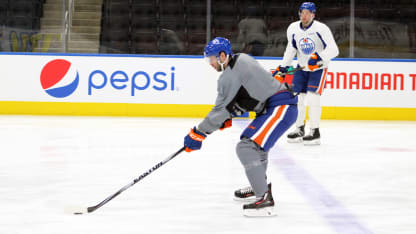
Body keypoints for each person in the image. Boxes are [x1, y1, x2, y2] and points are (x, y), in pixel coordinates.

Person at [183, 37, 298, 217]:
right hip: (275, 106)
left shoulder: (229, 75)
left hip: (280, 107)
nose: (210, 63)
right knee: (256, 146)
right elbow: (250, 96)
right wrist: (230, 114)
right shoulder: (242, 59)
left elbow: (220, 109)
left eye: (212, 59)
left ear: (222, 55)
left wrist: (199, 132)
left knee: (246, 146)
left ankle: (264, 198)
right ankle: (258, 185)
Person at [274, 2, 339, 145]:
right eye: (302, 12)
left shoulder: (321, 28)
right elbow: (291, 49)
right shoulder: (293, 28)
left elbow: (334, 50)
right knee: (298, 100)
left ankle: (315, 132)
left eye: (308, 13)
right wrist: (284, 66)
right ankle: (299, 129)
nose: (304, 15)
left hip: (318, 69)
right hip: (301, 68)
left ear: (313, 15)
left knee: (313, 98)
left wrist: (318, 57)